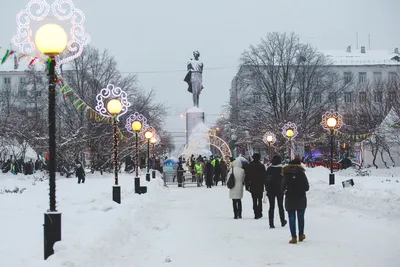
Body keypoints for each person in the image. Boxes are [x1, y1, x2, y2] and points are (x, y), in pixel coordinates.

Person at [282, 158, 310, 244]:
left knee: (291, 217)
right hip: (301, 197)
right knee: (301, 217)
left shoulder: (286, 174)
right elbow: (307, 187)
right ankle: (301, 235)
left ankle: (293, 237)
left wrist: (286, 191)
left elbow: (282, 187)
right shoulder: (302, 174)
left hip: (290, 198)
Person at [265, 155, 287, 229]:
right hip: (279, 190)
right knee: (280, 206)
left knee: (271, 207)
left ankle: (271, 223)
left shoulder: (269, 169)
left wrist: (267, 188)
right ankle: (282, 221)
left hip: (271, 190)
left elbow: (266, 180)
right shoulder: (282, 169)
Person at [244, 153, 266, 219]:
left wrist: (247, 185)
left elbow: (247, 176)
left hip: (252, 184)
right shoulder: (261, 166)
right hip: (260, 184)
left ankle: (255, 212)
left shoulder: (249, 166)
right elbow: (264, 176)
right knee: (259, 199)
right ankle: (260, 212)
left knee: (254, 199)